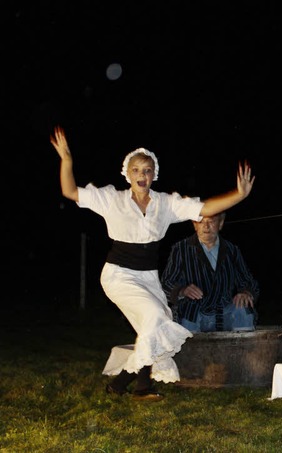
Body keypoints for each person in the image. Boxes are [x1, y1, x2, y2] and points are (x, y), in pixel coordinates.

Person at [50, 125, 255, 401]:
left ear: (154, 174)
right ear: (127, 173)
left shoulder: (165, 203)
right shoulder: (112, 198)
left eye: (147, 170)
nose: (141, 175)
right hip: (119, 275)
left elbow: (204, 208)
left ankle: (125, 386)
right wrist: (67, 161)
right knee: (153, 318)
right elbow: (70, 192)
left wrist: (238, 195)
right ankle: (138, 387)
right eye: (136, 170)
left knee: (156, 324)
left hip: (148, 276)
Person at [161, 211, 260, 332]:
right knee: (188, 311)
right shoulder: (181, 249)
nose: (206, 226)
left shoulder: (232, 250)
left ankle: (243, 349)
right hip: (194, 313)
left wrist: (246, 292)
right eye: (201, 221)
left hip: (224, 312)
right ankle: (190, 349)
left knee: (243, 307)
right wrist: (182, 290)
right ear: (195, 225)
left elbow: (248, 281)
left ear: (221, 223)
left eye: (211, 221)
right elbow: (166, 282)